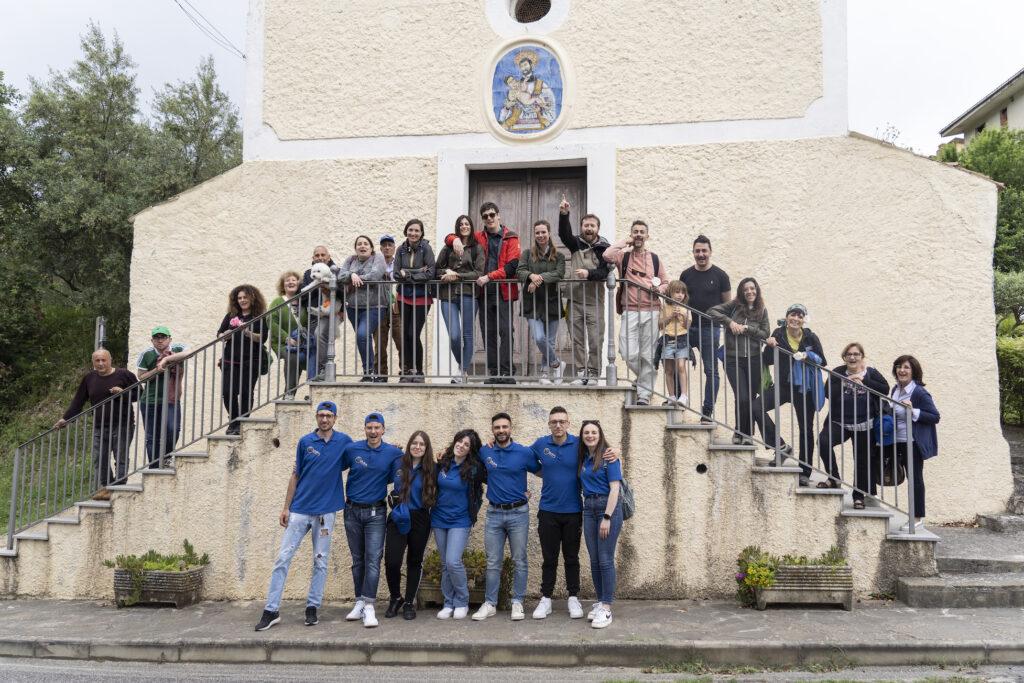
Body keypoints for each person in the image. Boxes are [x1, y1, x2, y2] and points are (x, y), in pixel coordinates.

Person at [254, 401, 353, 631]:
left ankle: (312, 607)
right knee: (282, 559)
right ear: (316, 418)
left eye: (329, 415)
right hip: (299, 511)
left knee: (320, 562)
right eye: (321, 415)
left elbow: (361, 454)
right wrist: (286, 507)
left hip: (326, 513)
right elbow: (295, 476)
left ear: (335, 418)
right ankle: (271, 610)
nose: (325, 419)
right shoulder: (305, 442)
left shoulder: (344, 442)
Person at [527, 406, 620, 621]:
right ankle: (546, 598)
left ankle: (573, 598)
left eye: (562, 421)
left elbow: (600, 448)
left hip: (575, 511)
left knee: (572, 558)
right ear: (549, 424)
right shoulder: (541, 444)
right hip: (548, 510)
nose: (558, 425)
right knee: (549, 558)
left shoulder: (579, 444)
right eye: (554, 422)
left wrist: (616, 450)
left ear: (568, 424)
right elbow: (520, 458)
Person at [472, 412, 540, 621]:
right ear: (492, 430)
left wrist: (531, 493)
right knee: (493, 561)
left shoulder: (523, 452)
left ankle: (517, 602)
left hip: (518, 513)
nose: (501, 430)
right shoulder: (485, 451)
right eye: (497, 428)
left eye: (504, 427)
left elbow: (543, 472)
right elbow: (464, 457)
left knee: (519, 560)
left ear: (511, 428)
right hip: (493, 513)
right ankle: (490, 603)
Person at [446, 202, 520, 384]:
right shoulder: (478, 236)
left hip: (503, 290)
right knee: (488, 333)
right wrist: (453, 239)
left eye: (492, 215)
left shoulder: (512, 237)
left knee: (505, 331)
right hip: (483, 292)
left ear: (499, 215)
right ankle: (494, 372)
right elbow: (454, 236)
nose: (489, 218)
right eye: (485, 216)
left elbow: (512, 265)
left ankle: (506, 372)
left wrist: (489, 276)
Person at [753, 304, 826, 485]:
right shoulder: (778, 333)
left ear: (803, 320)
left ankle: (804, 472)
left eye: (800, 316)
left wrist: (806, 356)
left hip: (804, 389)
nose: (795, 319)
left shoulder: (810, 336)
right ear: (787, 317)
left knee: (806, 430)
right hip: (784, 385)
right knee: (756, 407)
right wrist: (769, 345)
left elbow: (822, 361)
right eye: (792, 315)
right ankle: (781, 446)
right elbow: (768, 360)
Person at [341, 412, 403, 628]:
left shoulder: (393, 453)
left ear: (383, 429)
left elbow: (399, 478)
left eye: (377, 428)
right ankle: (359, 601)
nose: (373, 431)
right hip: (352, 511)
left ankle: (369, 605)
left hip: (376, 512)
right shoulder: (352, 449)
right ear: (365, 429)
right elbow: (332, 467)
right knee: (358, 560)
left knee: (373, 560)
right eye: (370, 428)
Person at [54, 349, 138, 499]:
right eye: (97, 361)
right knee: (100, 457)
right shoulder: (89, 378)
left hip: (122, 424)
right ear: (93, 362)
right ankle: (108, 487)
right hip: (99, 425)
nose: (101, 364)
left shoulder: (124, 374)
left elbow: (139, 394)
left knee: (121, 456)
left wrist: (123, 392)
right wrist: (66, 418)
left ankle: (118, 487)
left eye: (103, 360)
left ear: (110, 360)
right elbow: (79, 400)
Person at [603, 220, 668, 406]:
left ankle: (644, 395)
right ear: (632, 235)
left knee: (648, 354)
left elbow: (665, 282)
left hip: (652, 310)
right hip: (630, 310)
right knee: (626, 350)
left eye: (642, 232)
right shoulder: (623, 257)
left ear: (647, 236)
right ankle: (645, 382)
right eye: (635, 232)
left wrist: (660, 290)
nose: (638, 234)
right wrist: (625, 242)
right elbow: (607, 255)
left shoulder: (655, 258)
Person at [819, 342, 888, 505]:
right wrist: (843, 383)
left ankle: (858, 496)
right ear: (845, 358)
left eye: (856, 354)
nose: (852, 357)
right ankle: (834, 477)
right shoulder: (838, 372)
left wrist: (864, 381)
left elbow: (885, 389)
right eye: (849, 354)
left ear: (862, 357)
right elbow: (828, 393)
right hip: (840, 422)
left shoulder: (870, 372)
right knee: (823, 441)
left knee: (862, 461)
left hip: (865, 425)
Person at [432, 429, 486, 619]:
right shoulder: (442, 463)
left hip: (460, 520)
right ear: (454, 442)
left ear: (471, 450)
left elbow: (497, 475)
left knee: (453, 561)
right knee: (445, 563)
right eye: (459, 442)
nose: (461, 446)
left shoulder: (475, 468)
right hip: (438, 519)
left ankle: (462, 600)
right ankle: (448, 603)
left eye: (466, 445)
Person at [383, 430, 437, 620]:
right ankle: (395, 597)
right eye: (414, 443)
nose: (417, 447)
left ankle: (408, 602)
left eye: (422, 444)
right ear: (408, 445)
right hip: (398, 516)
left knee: (414, 561)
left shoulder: (433, 468)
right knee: (392, 561)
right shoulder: (397, 462)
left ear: (426, 448)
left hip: (421, 518)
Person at [708, 278, 770, 442]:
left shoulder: (761, 310)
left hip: (754, 358)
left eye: (752, 288)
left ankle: (745, 434)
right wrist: (730, 323)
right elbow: (712, 312)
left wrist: (747, 329)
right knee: (742, 397)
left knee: (749, 397)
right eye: (746, 289)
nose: (749, 292)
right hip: (733, 359)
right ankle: (741, 432)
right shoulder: (734, 305)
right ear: (741, 293)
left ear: (757, 290)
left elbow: (765, 333)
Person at [557, 195, 609, 385]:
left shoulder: (604, 248)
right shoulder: (575, 243)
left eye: (592, 226)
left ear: (597, 229)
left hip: (595, 301)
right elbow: (564, 234)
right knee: (577, 340)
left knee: (595, 340)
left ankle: (594, 373)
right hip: (575, 300)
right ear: (581, 228)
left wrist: (589, 273)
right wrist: (564, 215)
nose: (588, 229)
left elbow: (605, 271)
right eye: (586, 225)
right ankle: (581, 373)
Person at [679, 236, 731, 422]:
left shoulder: (721, 276)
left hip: (710, 329)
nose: (701, 255)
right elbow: (680, 299)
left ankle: (707, 410)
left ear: (710, 252)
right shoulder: (686, 275)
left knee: (711, 371)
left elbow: (727, 306)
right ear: (693, 253)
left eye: (704, 251)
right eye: (697, 251)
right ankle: (678, 399)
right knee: (677, 363)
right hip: (686, 327)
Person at [578, 419, 623, 629]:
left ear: (600, 434)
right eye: (586, 432)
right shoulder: (584, 458)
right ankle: (599, 601)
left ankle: (606, 608)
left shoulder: (609, 457)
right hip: (589, 509)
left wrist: (607, 517)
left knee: (605, 559)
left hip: (607, 508)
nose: (590, 435)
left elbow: (615, 489)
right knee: (594, 560)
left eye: (593, 432)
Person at [890, 355, 940, 531]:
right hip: (897, 441)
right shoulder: (894, 390)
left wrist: (914, 411)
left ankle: (917, 518)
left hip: (913, 442)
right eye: (898, 367)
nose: (901, 370)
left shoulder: (918, 392)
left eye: (906, 367)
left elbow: (935, 416)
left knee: (915, 479)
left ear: (914, 371)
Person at [435, 216, 485, 383]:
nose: (464, 226)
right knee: (454, 336)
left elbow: (478, 273)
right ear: (457, 227)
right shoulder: (448, 248)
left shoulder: (477, 248)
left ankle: (462, 372)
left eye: (467, 224)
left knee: (468, 335)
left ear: (471, 227)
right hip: (447, 295)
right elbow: (436, 269)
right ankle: (462, 366)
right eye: (461, 224)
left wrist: (457, 275)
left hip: (469, 295)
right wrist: (446, 273)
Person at [517, 219, 566, 384]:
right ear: (534, 234)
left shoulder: (558, 256)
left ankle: (545, 373)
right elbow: (520, 271)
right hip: (532, 303)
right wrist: (531, 276)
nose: (540, 235)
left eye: (543, 232)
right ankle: (557, 364)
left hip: (551, 302)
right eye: (537, 232)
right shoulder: (527, 254)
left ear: (549, 233)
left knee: (550, 340)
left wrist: (539, 278)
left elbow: (559, 274)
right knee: (539, 338)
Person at [217, 285, 268, 435]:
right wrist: (225, 334)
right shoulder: (231, 315)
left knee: (246, 392)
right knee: (228, 391)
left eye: (245, 297)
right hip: (230, 359)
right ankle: (233, 420)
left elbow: (262, 338)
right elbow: (219, 334)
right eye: (239, 298)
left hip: (251, 360)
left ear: (253, 298)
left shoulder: (259, 316)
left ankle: (241, 423)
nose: (242, 300)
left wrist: (248, 332)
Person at [136, 325, 189, 467]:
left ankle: (166, 456)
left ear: (169, 339)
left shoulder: (177, 348)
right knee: (152, 436)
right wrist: (157, 370)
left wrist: (166, 360)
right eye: (156, 338)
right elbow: (141, 377)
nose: (160, 341)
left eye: (163, 337)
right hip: (150, 400)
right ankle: (154, 466)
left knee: (173, 429)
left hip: (171, 399)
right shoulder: (146, 354)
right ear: (152, 340)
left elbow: (190, 352)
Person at [337, 236, 388, 381]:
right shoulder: (351, 259)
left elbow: (375, 276)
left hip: (375, 306)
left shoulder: (377, 258)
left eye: (366, 244)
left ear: (371, 248)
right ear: (355, 248)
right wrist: (352, 274)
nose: (362, 246)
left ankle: (369, 371)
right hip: (353, 307)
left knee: (362, 335)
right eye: (359, 244)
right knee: (362, 339)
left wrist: (356, 279)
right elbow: (341, 276)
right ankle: (368, 372)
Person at [393, 219, 436, 383]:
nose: (413, 233)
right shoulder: (400, 250)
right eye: (410, 230)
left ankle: (418, 371)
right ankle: (408, 370)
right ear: (406, 231)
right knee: (405, 335)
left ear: (421, 233)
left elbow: (430, 273)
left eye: (417, 231)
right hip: (403, 296)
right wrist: (418, 273)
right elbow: (396, 274)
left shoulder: (426, 248)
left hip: (421, 298)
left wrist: (408, 275)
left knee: (413, 333)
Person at [268, 271, 307, 399]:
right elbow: (271, 321)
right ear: (283, 286)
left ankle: (289, 394)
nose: (291, 282)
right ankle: (289, 393)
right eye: (287, 281)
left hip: (300, 342)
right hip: (281, 342)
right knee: (292, 356)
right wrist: (285, 337)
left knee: (299, 360)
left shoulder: (304, 301)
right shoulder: (278, 302)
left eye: (294, 280)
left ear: (298, 284)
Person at [299, 246, 335, 381]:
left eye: (322, 255)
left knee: (320, 335)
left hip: (331, 314)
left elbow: (343, 293)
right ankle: (318, 374)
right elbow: (302, 296)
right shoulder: (309, 273)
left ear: (328, 257)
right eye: (317, 255)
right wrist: (317, 286)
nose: (320, 257)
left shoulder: (335, 272)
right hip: (314, 315)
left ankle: (324, 368)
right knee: (316, 344)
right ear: (313, 259)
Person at [373, 235, 404, 381]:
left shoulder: (399, 263)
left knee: (401, 340)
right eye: (384, 245)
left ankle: (405, 372)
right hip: (379, 305)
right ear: (380, 248)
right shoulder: (375, 264)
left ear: (394, 248)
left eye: (390, 245)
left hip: (396, 305)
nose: (387, 247)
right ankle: (381, 374)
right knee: (380, 342)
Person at [659, 281, 691, 406]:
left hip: (681, 340)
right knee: (669, 369)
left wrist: (683, 315)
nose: (680, 295)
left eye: (682, 293)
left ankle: (684, 395)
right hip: (667, 340)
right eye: (677, 292)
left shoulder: (685, 308)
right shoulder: (664, 307)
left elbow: (687, 326)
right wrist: (671, 316)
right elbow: (660, 324)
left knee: (681, 367)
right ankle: (672, 396)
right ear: (670, 292)